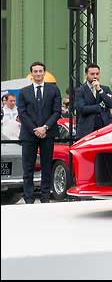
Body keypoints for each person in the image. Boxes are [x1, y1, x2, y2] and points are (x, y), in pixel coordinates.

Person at [16, 62, 61, 203]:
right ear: (31, 74)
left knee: (46, 166)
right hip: (29, 135)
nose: (38, 74)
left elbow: (57, 111)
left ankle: (45, 197)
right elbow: (22, 113)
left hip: (48, 133)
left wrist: (45, 127)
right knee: (28, 168)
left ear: (44, 73)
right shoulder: (23, 92)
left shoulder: (54, 90)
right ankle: (28, 199)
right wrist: (35, 129)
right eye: (35, 71)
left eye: (40, 71)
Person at [74, 63, 112, 140]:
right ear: (86, 74)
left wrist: (100, 90)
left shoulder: (105, 89)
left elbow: (111, 104)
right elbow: (82, 109)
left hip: (104, 127)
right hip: (87, 129)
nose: (95, 76)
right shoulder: (80, 90)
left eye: (97, 74)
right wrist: (100, 107)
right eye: (92, 74)